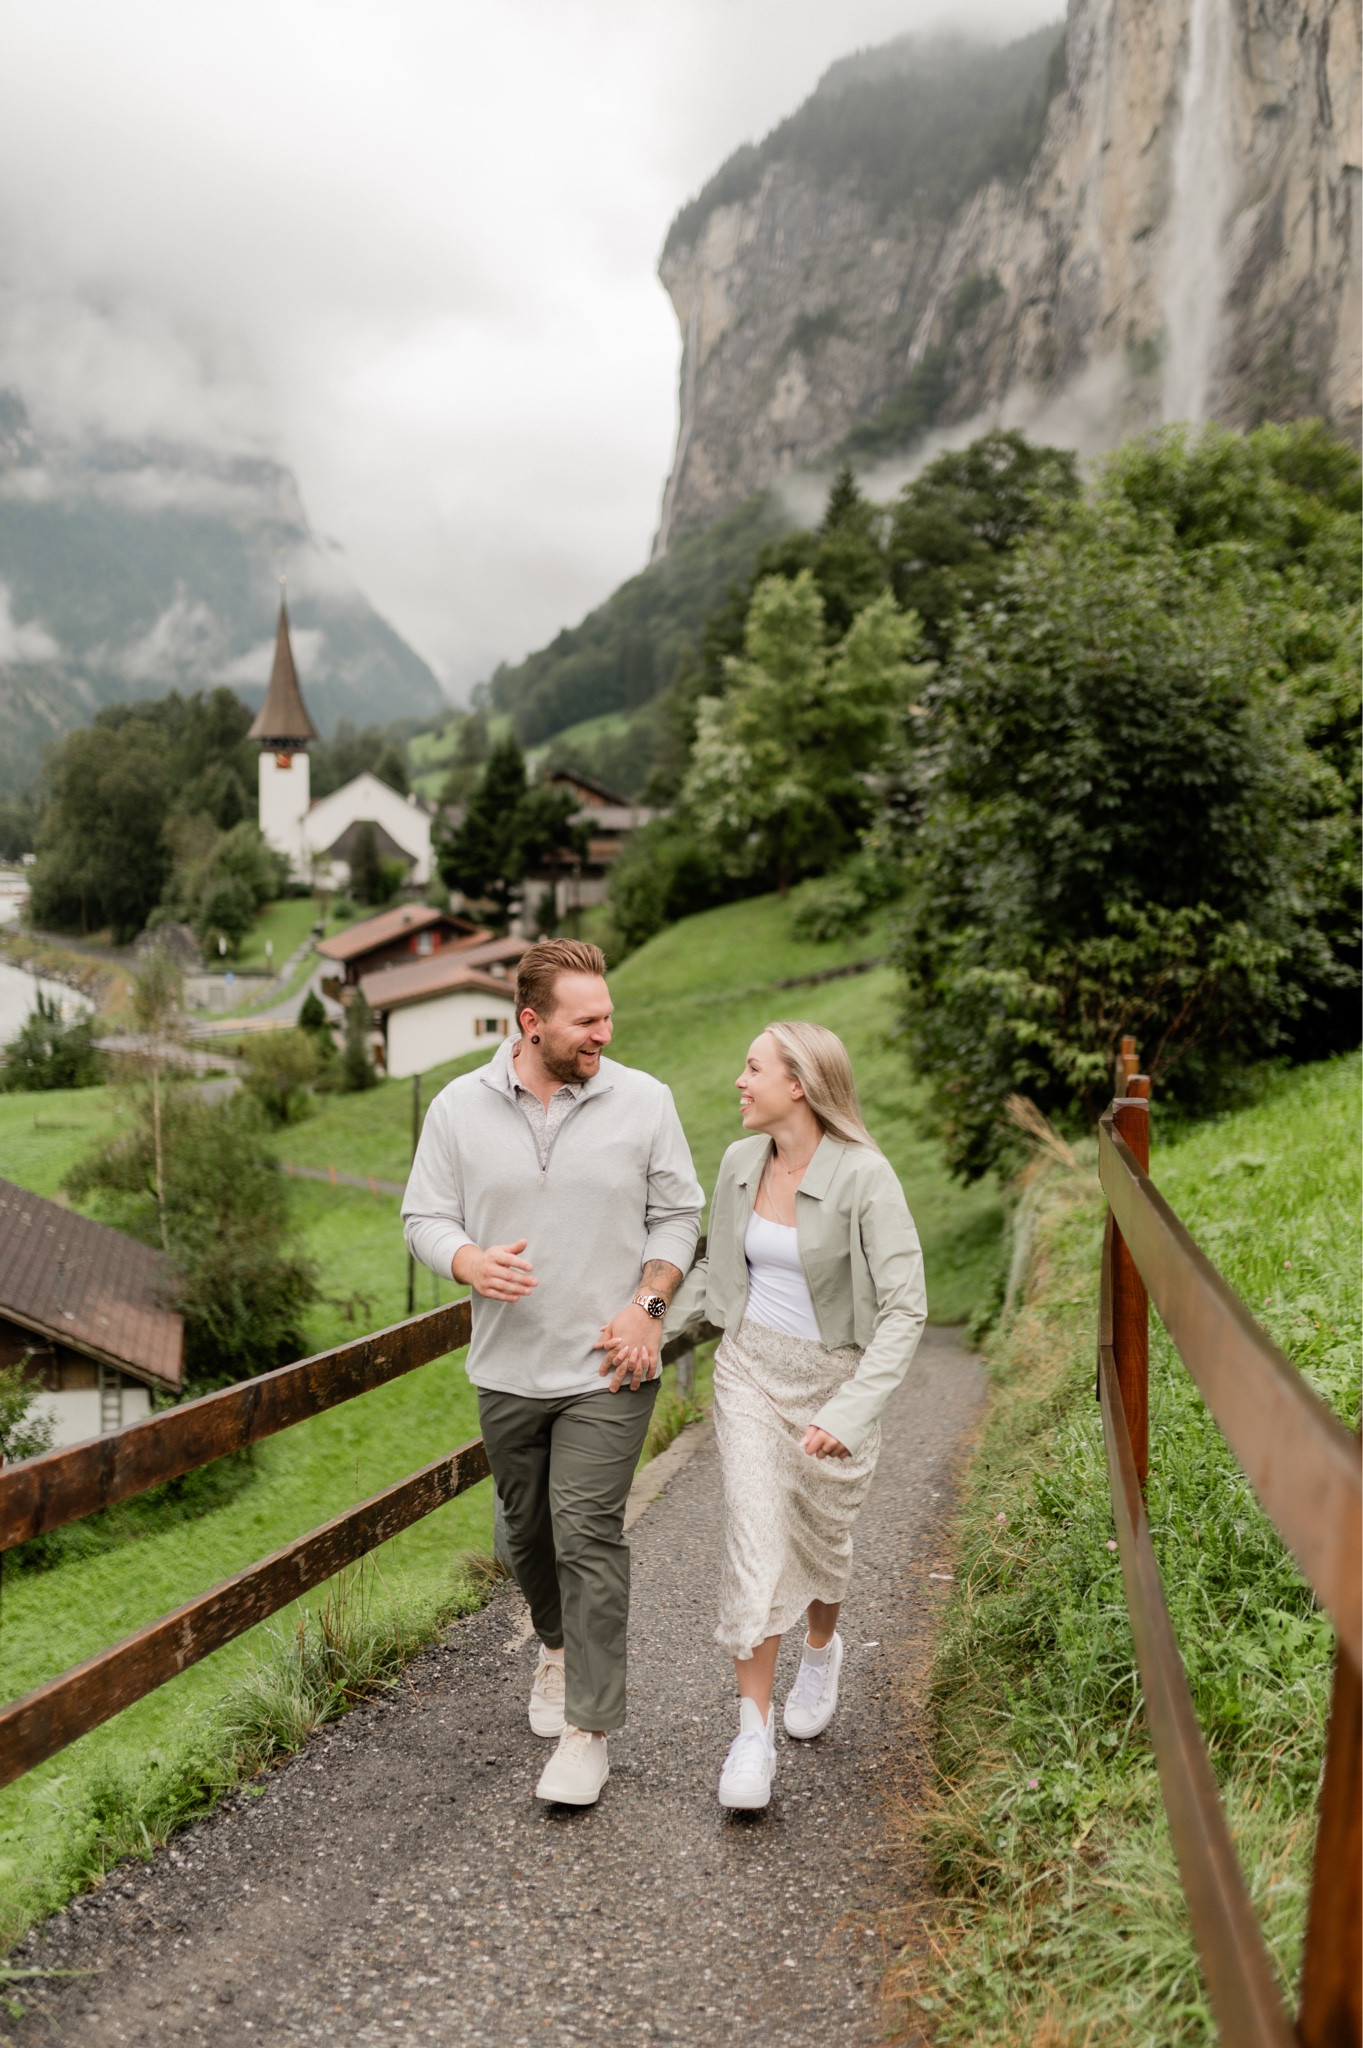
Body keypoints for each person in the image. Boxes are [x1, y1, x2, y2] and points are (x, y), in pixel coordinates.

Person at [402, 937, 703, 1807]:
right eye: (587, 1020)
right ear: (530, 1024)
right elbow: (423, 1216)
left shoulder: (645, 1101)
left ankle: (588, 1729)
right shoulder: (458, 1107)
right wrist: (466, 1261)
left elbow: (677, 1214)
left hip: (610, 1363)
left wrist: (647, 1307)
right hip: (506, 1367)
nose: (604, 1032)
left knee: (587, 1532)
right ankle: (556, 1644)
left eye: (608, 1015)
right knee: (524, 1536)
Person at [669, 1021, 926, 1811]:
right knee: (756, 1543)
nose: (738, 1082)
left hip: (835, 1386)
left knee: (822, 1541)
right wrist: (652, 1332)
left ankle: (821, 1649)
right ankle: (751, 1736)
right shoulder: (741, 1162)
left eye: (752, 1069)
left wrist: (848, 1412)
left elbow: (906, 1309)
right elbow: (715, 1268)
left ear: (800, 1085)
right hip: (749, 1371)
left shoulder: (865, 1178)